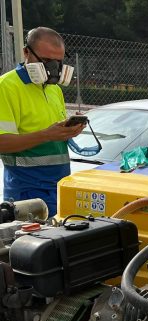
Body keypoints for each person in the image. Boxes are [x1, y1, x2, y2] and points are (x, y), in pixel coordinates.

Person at [0, 27, 84, 217]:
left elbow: (53, 136)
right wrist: (47, 135)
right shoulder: (6, 87)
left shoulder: (54, 90)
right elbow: (2, 143)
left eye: (58, 61)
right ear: (26, 52)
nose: (53, 67)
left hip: (59, 186)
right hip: (26, 193)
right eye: (46, 60)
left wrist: (69, 131)